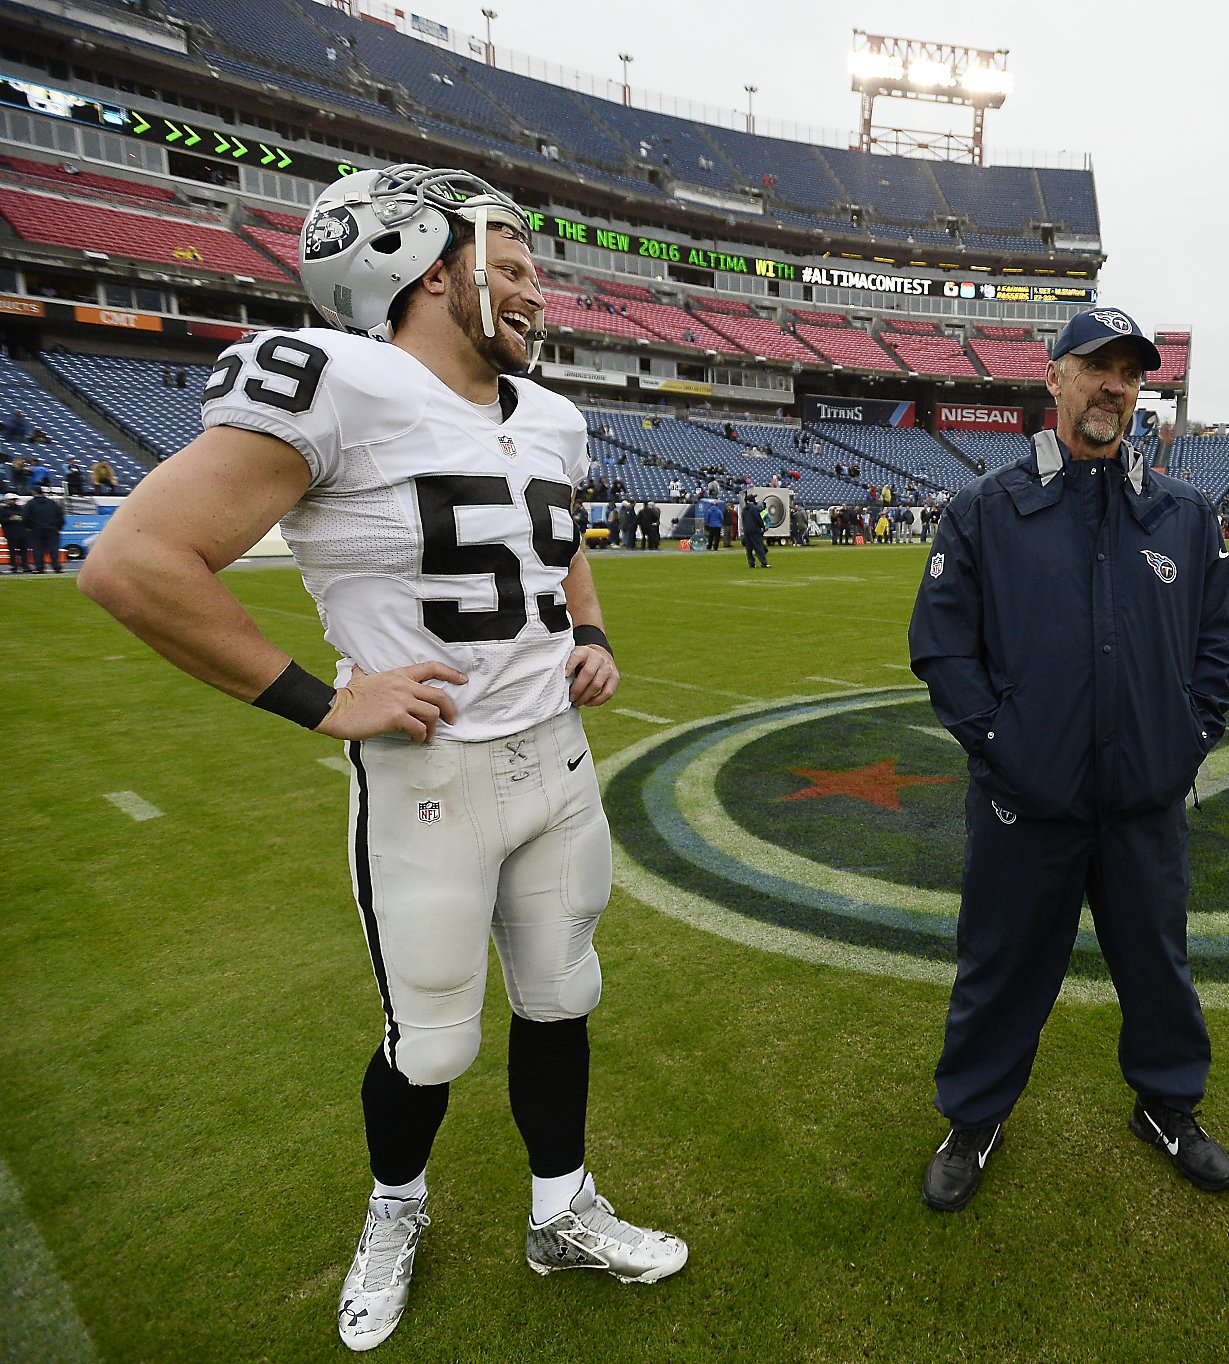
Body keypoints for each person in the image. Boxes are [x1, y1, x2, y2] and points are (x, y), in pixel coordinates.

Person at [77, 164, 687, 1354]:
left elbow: (547, 539)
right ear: (427, 264)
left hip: (555, 765)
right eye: (508, 266)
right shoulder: (342, 382)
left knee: (562, 997)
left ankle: (559, 1211)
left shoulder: (549, 415)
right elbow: (135, 561)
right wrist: (323, 702)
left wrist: (594, 634)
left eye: (535, 273)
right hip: (431, 779)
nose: (535, 293)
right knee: (434, 1039)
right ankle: (393, 1210)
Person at [907, 306, 1229, 1212]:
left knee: (1158, 966)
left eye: (1131, 373)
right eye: (1096, 366)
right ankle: (974, 1117)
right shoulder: (986, 508)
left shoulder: (1184, 513)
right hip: (1027, 804)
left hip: (1143, 802)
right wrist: (1004, 747)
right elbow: (942, 647)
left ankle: (1168, 1106)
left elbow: (1219, 644)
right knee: (1000, 967)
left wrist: (1187, 739)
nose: (1115, 387)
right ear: (1052, 378)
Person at [23, 482, 64, 572]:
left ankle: (40, 568)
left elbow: (25, 517)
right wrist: (58, 527)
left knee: (38, 550)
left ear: (34, 492)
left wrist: (28, 527)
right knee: (53, 550)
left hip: (36, 530)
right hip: (52, 529)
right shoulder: (52, 503)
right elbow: (60, 515)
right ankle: (56, 567)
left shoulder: (30, 504)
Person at [739, 492, 769, 568]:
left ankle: (751, 563)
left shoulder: (744, 510)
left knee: (749, 548)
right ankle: (763, 562)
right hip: (754, 529)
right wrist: (762, 526)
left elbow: (743, 520)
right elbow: (758, 519)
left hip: (746, 530)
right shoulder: (754, 509)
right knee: (758, 546)